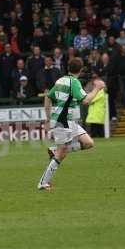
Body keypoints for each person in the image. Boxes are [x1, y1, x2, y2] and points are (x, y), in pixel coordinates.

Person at [38, 57, 106, 190]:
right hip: (63, 121)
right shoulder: (74, 82)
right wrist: (97, 88)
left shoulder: (60, 80)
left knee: (88, 143)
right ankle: (43, 183)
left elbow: (48, 96)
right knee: (61, 154)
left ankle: (54, 150)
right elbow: (86, 100)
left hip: (70, 121)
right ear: (80, 70)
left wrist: (47, 118)